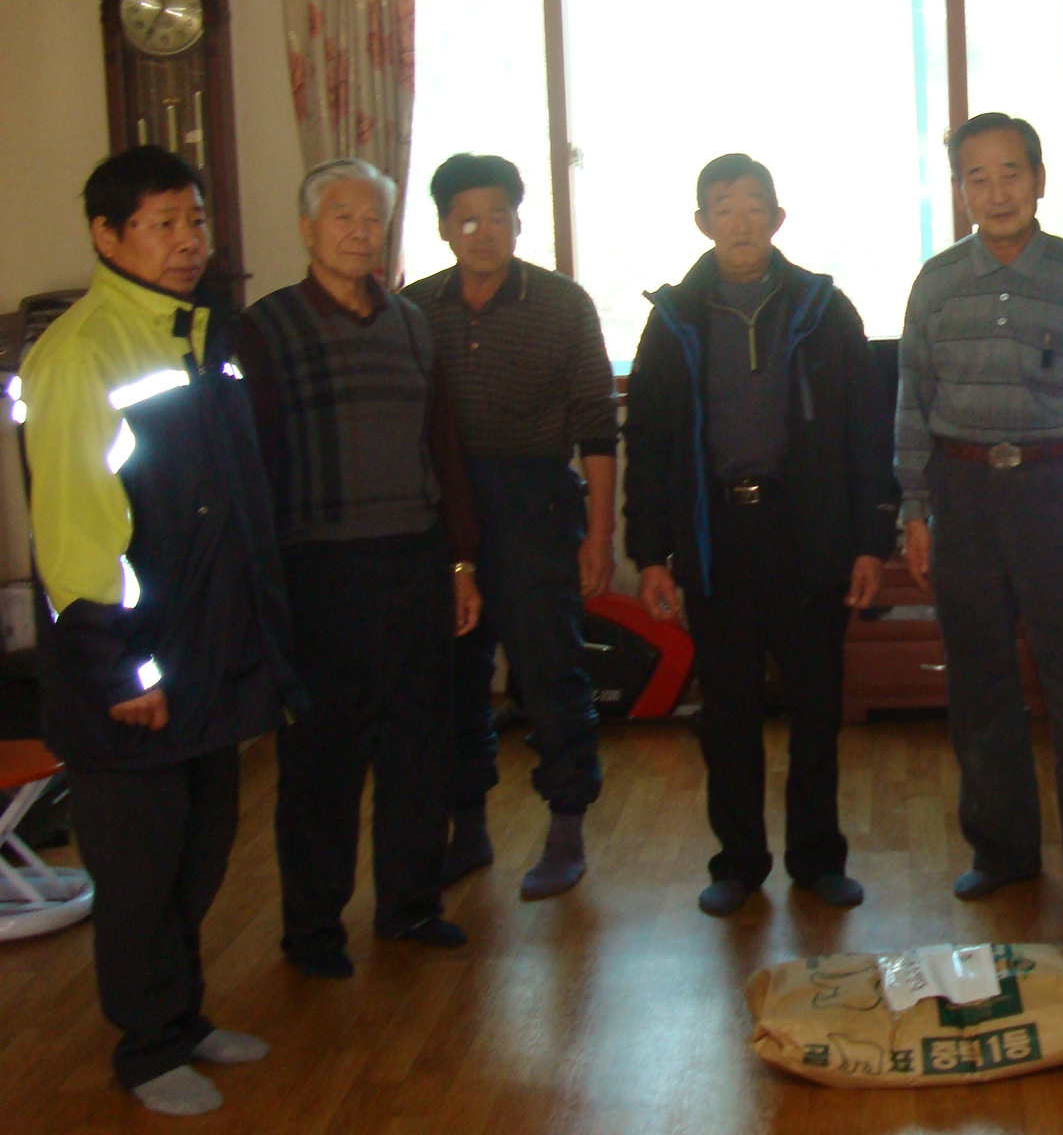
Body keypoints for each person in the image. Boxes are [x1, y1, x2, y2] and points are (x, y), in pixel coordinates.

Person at [19, 146, 299, 1115]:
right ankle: (145, 1049)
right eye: (164, 224)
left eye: (196, 220)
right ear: (108, 237)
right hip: (134, 672)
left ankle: (181, 1017)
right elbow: (76, 539)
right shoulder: (79, 355)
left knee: (199, 851)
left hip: (207, 653)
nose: (189, 241)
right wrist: (124, 673)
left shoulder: (204, 333)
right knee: (139, 872)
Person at [626, 154, 893, 917]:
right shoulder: (673, 319)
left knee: (815, 708)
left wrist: (870, 541)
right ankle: (738, 862)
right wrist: (649, 554)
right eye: (724, 207)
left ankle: (817, 859)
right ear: (702, 222)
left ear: (777, 218)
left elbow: (867, 431)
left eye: (753, 206)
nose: (740, 221)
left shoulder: (823, 309)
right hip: (716, 539)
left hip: (808, 533)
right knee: (728, 714)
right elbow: (648, 442)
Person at [240, 159, 480, 979]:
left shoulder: (412, 323)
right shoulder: (265, 328)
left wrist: (460, 560)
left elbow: (442, 446)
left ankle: (410, 905)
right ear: (307, 228)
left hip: (413, 555)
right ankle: (312, 930)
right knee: (322, 758)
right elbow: (252, 461)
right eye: (341, 216)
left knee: (420, 742)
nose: (358, 231)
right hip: (317, 568)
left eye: (372, 218)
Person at [897, 112, 1063, 898]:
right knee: (979, 681)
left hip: (1060, 492)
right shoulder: (936, 283)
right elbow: (911, 402)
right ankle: (1001, 851)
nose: (997, 192)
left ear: (1038, 180)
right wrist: (914, 508)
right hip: (963, 493)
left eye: (1011, 173)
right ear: (960, 190)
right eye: (978, 177)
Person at [409, 154, 615, 901]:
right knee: (453, 680)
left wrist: (599, 535)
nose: (485, 232)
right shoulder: (414, 307)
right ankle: (468, 828)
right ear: (443, 227)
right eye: (468, 220)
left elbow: (597, 425)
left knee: (550, 673)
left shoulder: (561, 303)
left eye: (498, 216)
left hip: (535, 503)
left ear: (518, 221)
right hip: (442, 509)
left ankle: (565, 831)